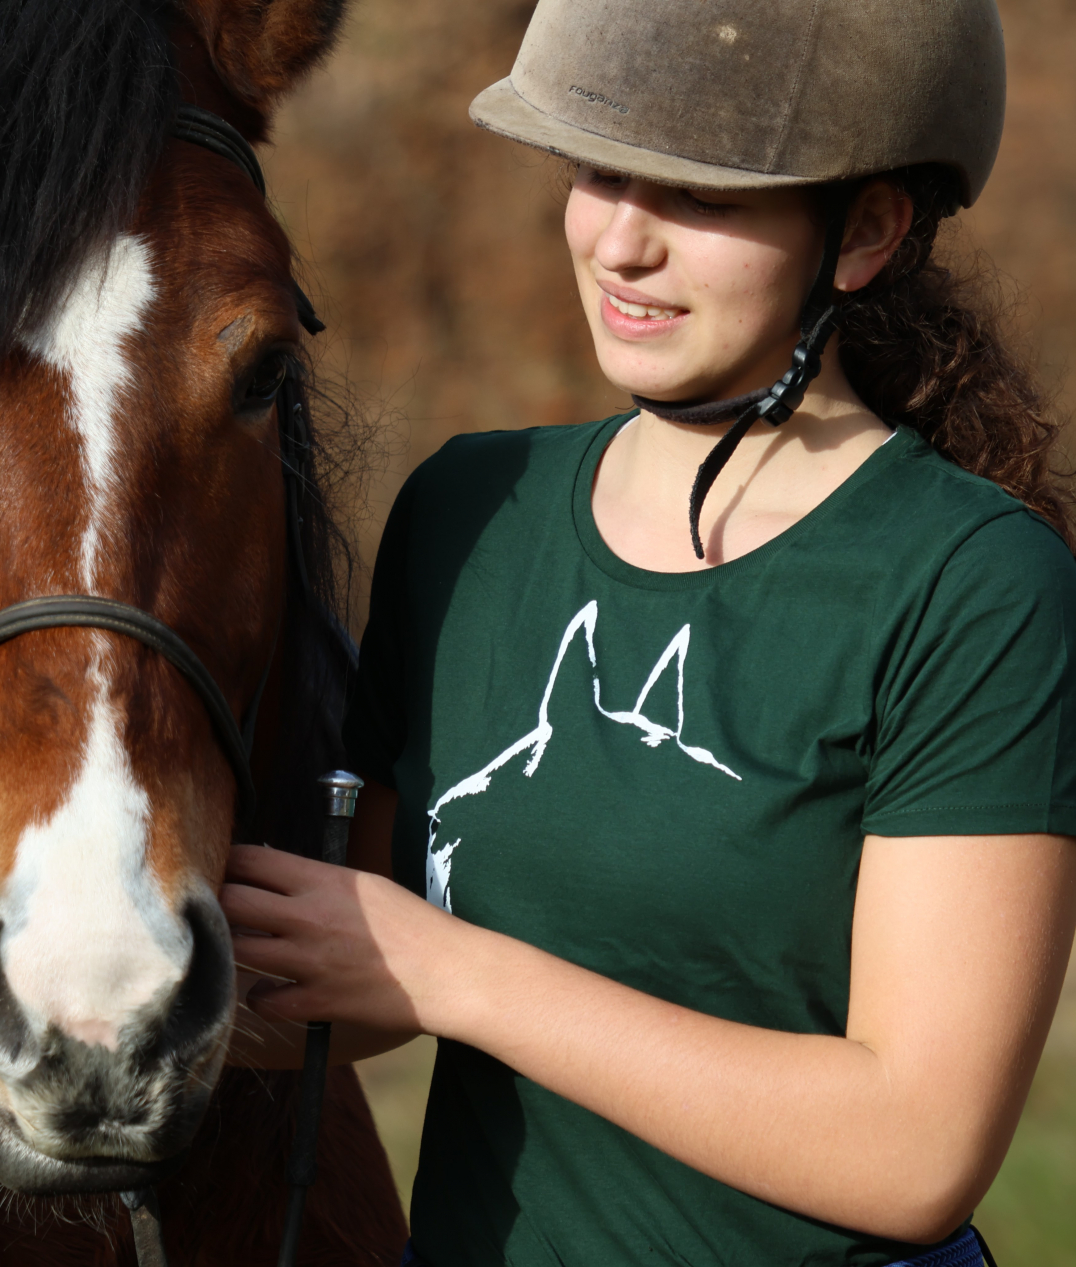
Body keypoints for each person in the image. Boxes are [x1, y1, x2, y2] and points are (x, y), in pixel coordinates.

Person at [222, 2, 1076, 1264]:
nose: (620, 244)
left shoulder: (971, 584)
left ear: (864, 233)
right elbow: (358, 984)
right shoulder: (467, 513)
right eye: (599, 172)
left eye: (699, 196)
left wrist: (459, 973)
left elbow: (914, 1151)